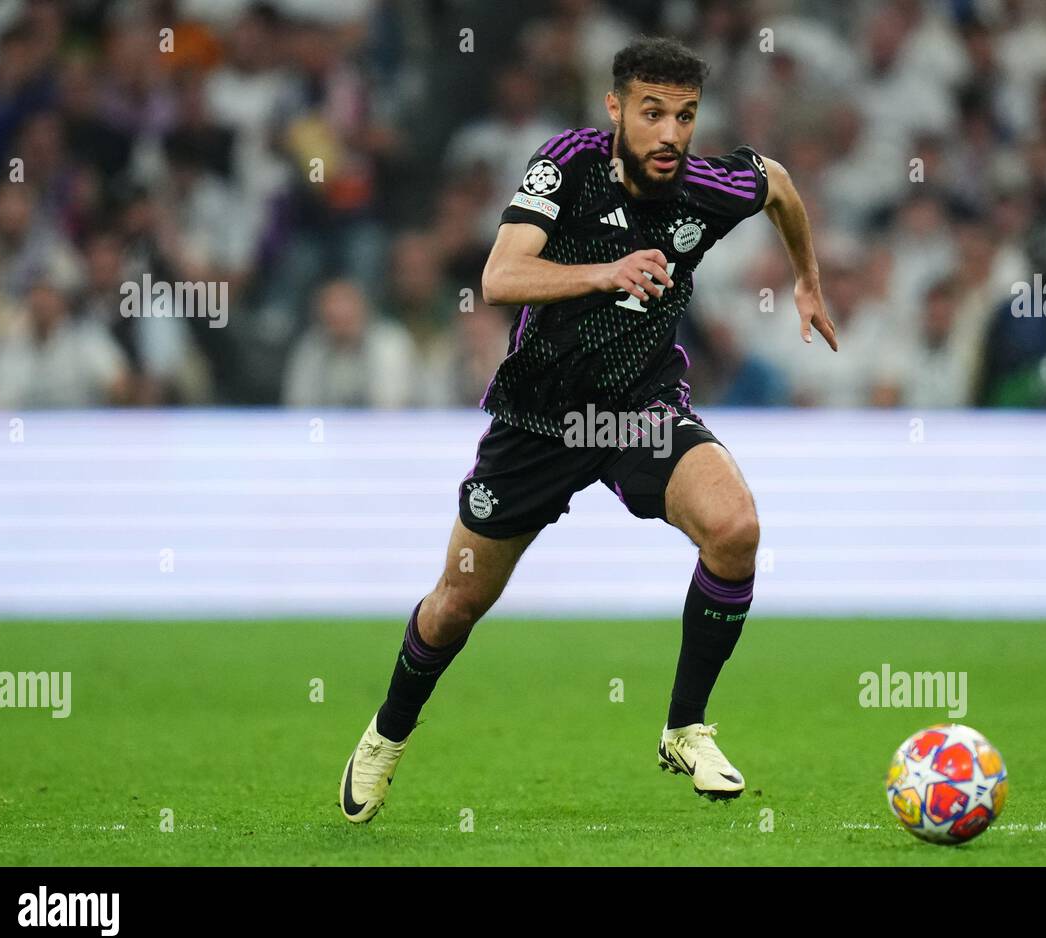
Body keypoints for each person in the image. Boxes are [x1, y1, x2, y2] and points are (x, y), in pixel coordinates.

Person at [338, 36, 837, 821]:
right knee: (454, 606)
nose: (670, 133)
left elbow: (777, 184)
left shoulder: (705, 186)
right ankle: (387, 734)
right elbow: (500, 277)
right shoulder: (566, 164)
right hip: (539, 418)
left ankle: (686, 726)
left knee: (736, 528)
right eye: (652, 113)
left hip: (637, 410)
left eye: (685, 116)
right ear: (616, 110)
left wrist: (808, 280)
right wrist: (607, 271)